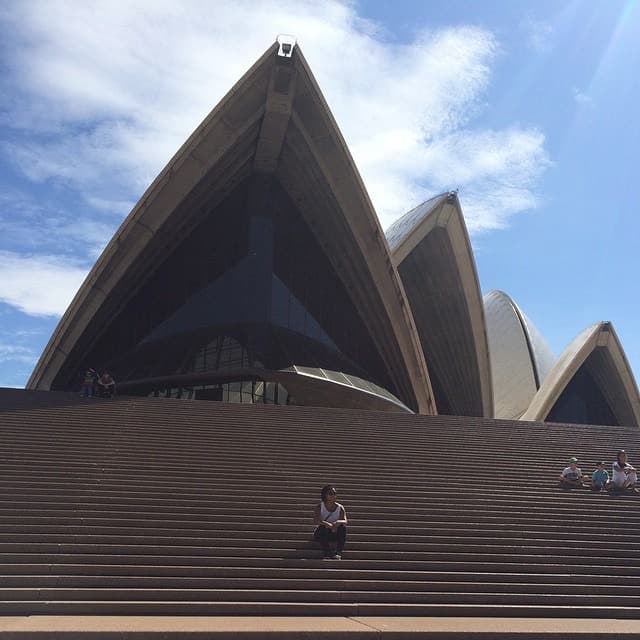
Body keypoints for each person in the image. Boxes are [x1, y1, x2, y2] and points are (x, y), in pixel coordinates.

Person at [313, 485, 347, 560]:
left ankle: (338, 552)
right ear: (325, 495)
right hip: (322, 533)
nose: (333, 496)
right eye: (330, 493)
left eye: (334, 493)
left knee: (343, 528)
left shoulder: (340, 507)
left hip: (334, 532)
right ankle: (326, 552)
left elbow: (345, 521)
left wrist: (337, 522)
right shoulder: (320, 506)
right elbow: (316, 520)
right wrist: (326, 524)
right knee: (323, 528)